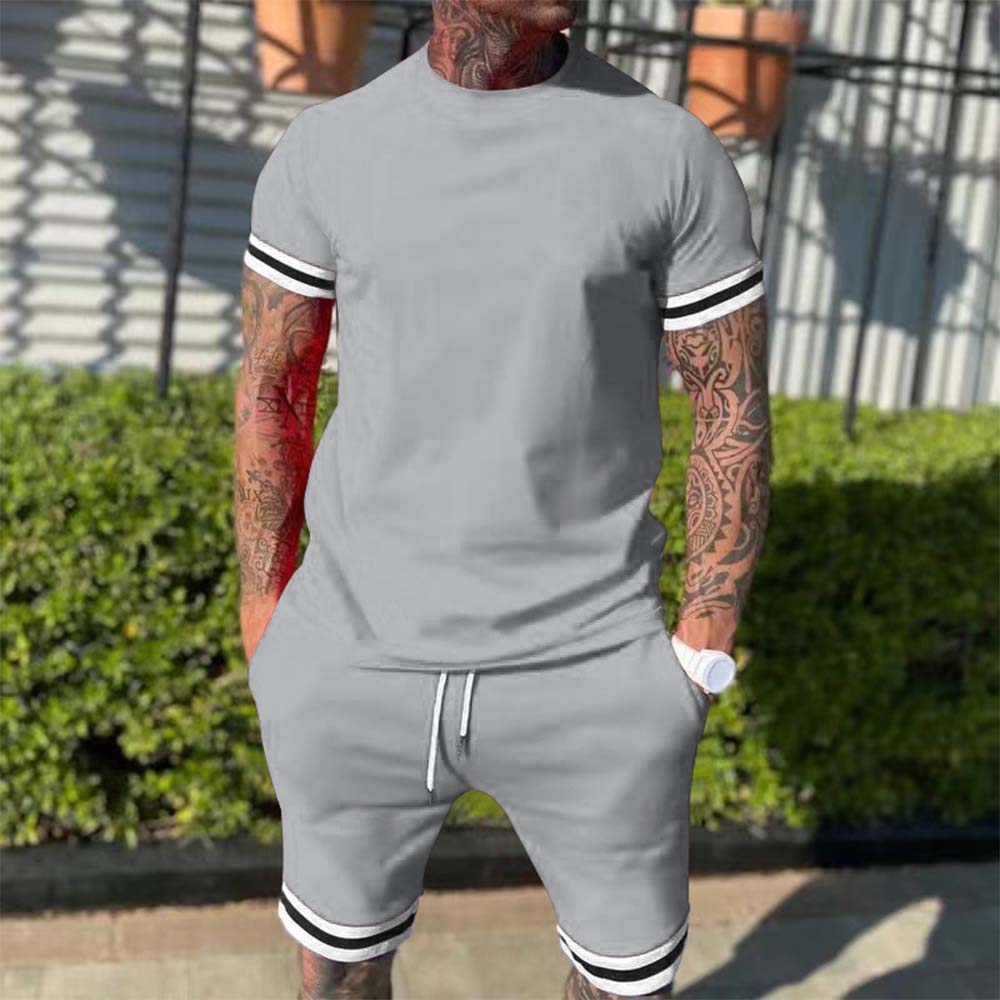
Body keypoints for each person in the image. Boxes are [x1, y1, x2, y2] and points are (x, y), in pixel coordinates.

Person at [234, 1, 772, 997]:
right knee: (338, 976)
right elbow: (275, 388)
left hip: (591, 668)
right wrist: (268, 616)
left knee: (624, 987)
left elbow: (728, 403)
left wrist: (702, 647)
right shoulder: (327, 150)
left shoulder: (670, 154)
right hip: (353, 660)